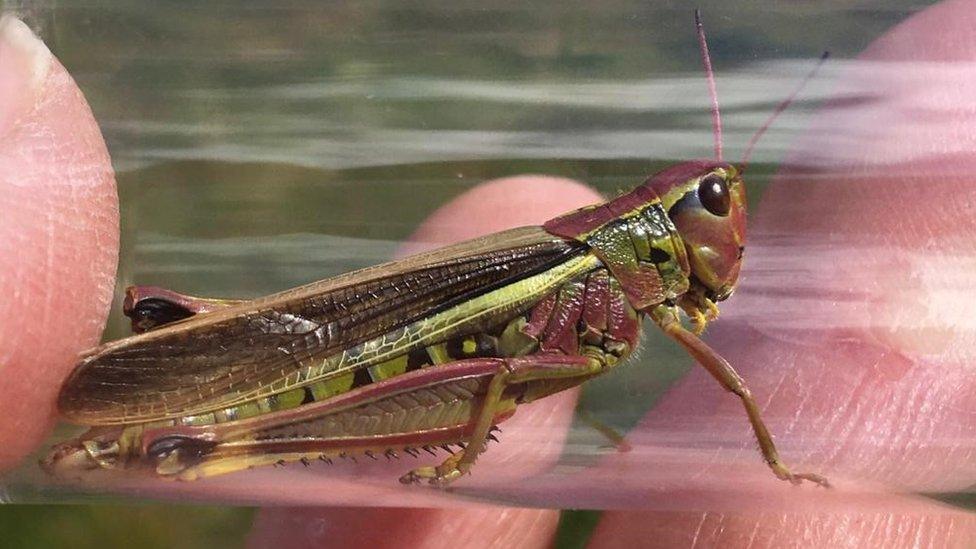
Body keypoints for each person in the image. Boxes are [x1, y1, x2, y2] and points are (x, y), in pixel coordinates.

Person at [2, 0, 975, 545]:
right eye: (706, 209)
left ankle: (176, 443)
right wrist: (470, 458)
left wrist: (587, 414)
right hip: (366, 353)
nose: (721, 225)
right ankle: (178, 430)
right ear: (653, 229)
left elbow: (556, 368)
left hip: (453, 352)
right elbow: (513, 373)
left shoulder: (616, 303)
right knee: (504, 370)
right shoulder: (579, 274)